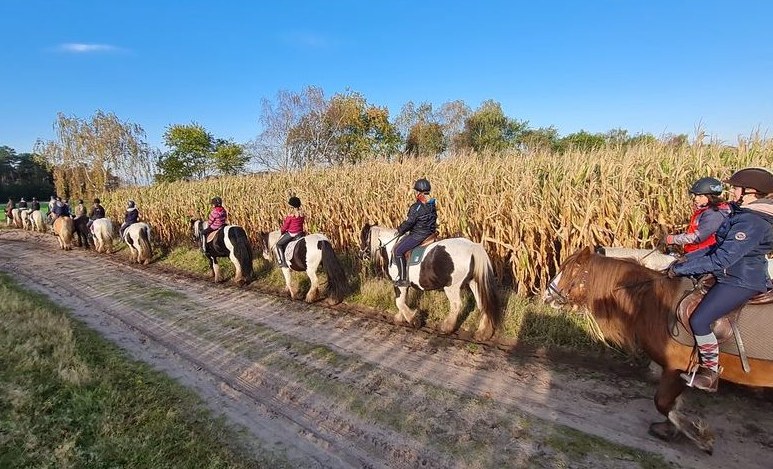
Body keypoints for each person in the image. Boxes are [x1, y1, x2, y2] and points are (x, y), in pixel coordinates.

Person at [668, 167, 773, 392]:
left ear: (750, 192)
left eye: (736, 188)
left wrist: (681, 271)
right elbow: (718, 246)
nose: (732, 192)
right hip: (730, 273)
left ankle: (710, 372)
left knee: (699, 319)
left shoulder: (752, 222)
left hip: (740, 280)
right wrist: (687, 260)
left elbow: (722, 258)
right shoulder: (742, 213)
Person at [665, 177, 731, 254]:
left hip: (704, 255)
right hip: (695, 252)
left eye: (700, 196)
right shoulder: (705, 211)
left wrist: (673, 239)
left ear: (711, 197)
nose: (696, 199)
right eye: (695, 195)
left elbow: (697, 237)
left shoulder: (714, 214)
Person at [393, 178, 438, 287]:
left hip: (418, 235)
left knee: (398, 251)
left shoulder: (416, 207)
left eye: (416, 192)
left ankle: (403, 279)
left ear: (418, 193)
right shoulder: (432, 204)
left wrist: (400, 230)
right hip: (430, 234)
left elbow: (409, 222)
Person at [275, 196, 305, 267]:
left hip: (292, 234)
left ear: (292, 206)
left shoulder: (291, 216)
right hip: (300, 233)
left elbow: (285, 226)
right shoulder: (302, 214)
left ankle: (282, 262)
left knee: (278, 244)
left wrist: (282, 232)